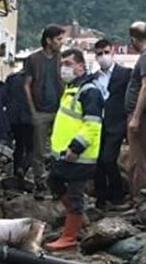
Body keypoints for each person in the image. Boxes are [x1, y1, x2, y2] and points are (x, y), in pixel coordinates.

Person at [44, 48, 103, 251]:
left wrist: (76, 147)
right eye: (62, 64)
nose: (64, 68)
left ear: (80, 66)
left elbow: (92, 125)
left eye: (68, 64)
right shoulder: (71, 89)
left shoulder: (89, 91)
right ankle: (77, 218)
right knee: (53, 182)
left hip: (80, 156)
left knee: (75, 195)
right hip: (64, 154)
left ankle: (69, 237)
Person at [24, 24, 65, 198]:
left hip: (60, 110)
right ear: (49, 40)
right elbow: (27, 84)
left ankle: (57, 184)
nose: (61, 42)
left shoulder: (62, 59)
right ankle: (40, 184)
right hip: (40, 110)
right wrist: (32, 109)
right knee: (39, 151)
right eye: (58, 39)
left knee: (59, 150)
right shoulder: (33, 59)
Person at [92, 38, 130, 210]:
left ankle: (117, 194)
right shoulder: (93, 78)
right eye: (100, 54)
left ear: (113, 52)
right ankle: (101, 197)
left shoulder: (125, 74)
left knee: (108, 159)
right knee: (97, 161)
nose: (103, 56)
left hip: (116, 123)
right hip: (97, 123)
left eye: (106, 52)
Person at [125, 21, 146, 198]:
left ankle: (139, 197)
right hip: (142, 114)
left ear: (133, 40)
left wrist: (136, 116)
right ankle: (136, 196)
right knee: (137, 158)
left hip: (142, 116)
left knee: (139, 160)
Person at [4, 68, 33, 190]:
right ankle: (24, 168)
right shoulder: (35, 79)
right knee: (31, 147)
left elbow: (4, 96)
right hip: (30, 117)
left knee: (19, 145)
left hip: (14, 118)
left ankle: (17, 170)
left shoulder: (12, 78)